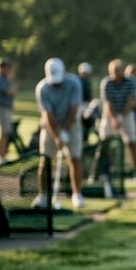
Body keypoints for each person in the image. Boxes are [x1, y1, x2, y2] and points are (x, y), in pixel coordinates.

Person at [33, 58, 85, 209]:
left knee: (75, 158)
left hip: (72, 124)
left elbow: (74, 110)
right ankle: (43, 196)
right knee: (45, 160)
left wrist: (65, 131)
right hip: (50, 127)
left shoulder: (74, 83)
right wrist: (57, 135)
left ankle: (77, 194)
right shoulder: (42, 88)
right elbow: (47, 115)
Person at [98, 58, 136, 183]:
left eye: (118, 71)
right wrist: (114, 119)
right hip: (110, 115)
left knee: (132, 142)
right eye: (113, 71)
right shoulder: (106, 83)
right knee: (104, 141)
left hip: (126, 113)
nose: (116, 74)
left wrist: (121, 117)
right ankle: (102, 172)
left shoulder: (130, 82)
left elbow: (131, 102)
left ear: (122, 71)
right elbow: (107, 104)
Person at [0, 57, 18, 164]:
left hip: (5, 108)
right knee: (3, 132)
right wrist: (12, 82)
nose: (7, 70)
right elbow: (10, 92)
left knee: (5, 132)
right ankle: (1, 157)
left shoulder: (4, 78)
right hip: (1, 108)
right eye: (5, 67)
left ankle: (1, 155)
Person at [76, 62, 100, 144]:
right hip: (78, 105)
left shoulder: (86, 82)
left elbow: (89, 97)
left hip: (85, 105)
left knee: (87, 124)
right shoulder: (78, 81)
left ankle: (84, 141)